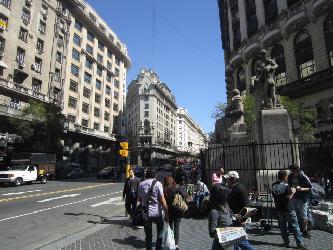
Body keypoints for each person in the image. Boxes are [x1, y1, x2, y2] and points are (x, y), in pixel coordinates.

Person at [208, 185, 254, 250]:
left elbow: (232, 218)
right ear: (221, 196)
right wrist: (227, 232)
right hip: (222, 245)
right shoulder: (214, 212)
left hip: (234, 240)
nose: (228, 196)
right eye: (226, 194)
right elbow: (212, 233)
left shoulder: (226, 205)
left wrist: (245, 216)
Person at [272, 170, 308, 250]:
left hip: (279, 208)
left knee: (283, 226)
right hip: (288, 208)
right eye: (287, 176)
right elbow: (289, 196)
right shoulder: (287, 186)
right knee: (295, 226)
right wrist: (294, 190)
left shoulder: (273, 185)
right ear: (285, 177)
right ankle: (300, 244)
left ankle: (286, 241)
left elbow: (275, 195)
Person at [138, 168, 168, 250]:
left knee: (148, 234)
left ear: (146, 175)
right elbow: (162, 200)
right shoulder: (158, 184)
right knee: (161, 230)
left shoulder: (141, 184)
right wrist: (167, 212)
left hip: (146, 212)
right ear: (155, 175)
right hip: (157, 212)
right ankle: (158, 248)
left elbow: (139, 199)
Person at [288, 164, 313, 239]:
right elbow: (289, 185)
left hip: (302, 197)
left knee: (303, 214)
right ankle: (297, 229)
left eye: (292, 170)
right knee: (295, 213)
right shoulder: (290, 176)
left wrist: (302, 189)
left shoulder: (303, 177)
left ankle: (305, 230)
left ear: (296, 170)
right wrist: (291, 190)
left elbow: (310, 187)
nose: (291, 172)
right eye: (291, 171)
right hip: (294, 197)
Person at [163, 176, 187, 250]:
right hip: (178, 210)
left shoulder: (165, 190)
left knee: (170, 227)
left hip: (169, 211)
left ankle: (171, 242)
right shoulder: (177, 187)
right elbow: (185, 195)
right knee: (177, 227)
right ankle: (176, 244)